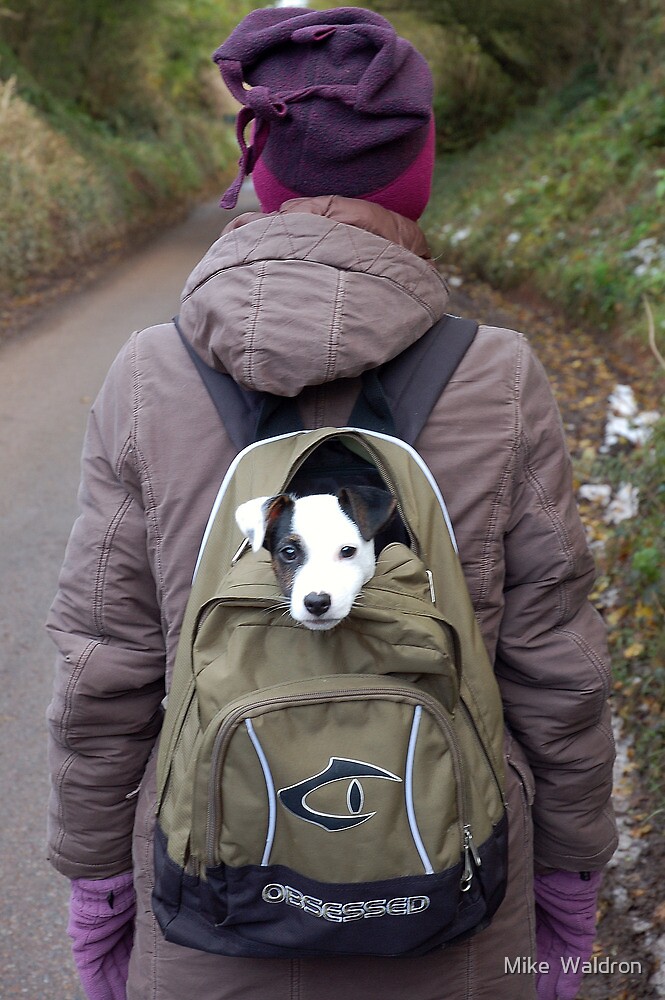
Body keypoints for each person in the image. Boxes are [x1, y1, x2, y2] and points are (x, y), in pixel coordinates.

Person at [46, 7, 617, 1000]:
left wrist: (97, 882)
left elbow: (106, 669)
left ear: (264, 176)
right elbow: (554, 671)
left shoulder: (146, 376)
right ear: (415, 176)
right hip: (459, 912)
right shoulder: (498, 377)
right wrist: (568, 879)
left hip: (212, 910)